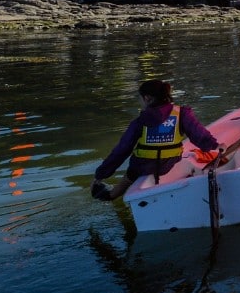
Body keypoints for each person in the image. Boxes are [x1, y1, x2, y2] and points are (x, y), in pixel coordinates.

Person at [91, 79, 220, 201]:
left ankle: (112, 195)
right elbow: (199, 135)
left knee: (130, 175)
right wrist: (216, 146)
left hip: (142, 167)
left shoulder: (139, 121)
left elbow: (121, 150)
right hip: (169, 163)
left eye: (140, 98)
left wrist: (100, 174)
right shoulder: (182, 113)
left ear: (147, 98)